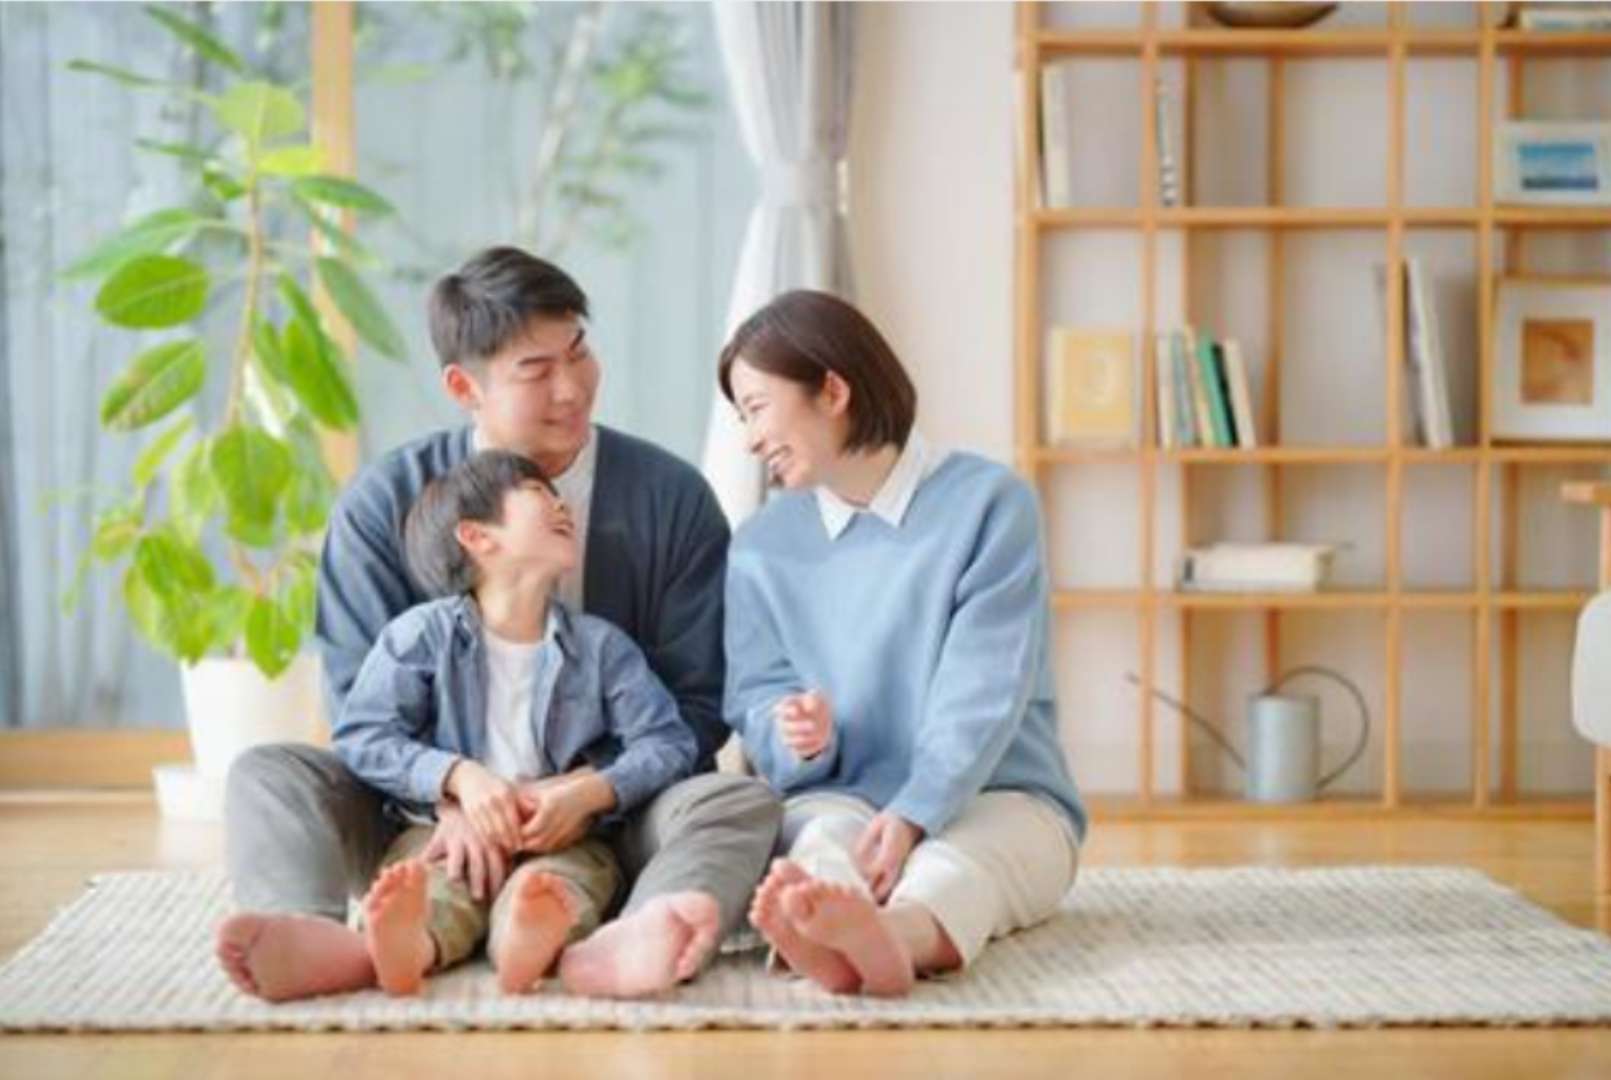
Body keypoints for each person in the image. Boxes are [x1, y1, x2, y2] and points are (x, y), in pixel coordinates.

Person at [215, 247, 781, 1002]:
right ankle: (308, 935)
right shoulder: (385, 505)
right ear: (464, 387)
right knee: (269, 773)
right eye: (535, 370)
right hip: (419, 817)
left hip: (614, 819)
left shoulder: (671, 498)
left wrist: (583, 795)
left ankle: (645, 928)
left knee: (736, 800)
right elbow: (360, 708)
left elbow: (696, 709)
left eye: (577, 352)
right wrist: (452, 793)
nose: (571, 387)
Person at [719, 290, 1088, 997]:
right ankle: (827, 928)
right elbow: (756, 692)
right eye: (741, 417)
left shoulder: (989, 504)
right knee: (819, 845)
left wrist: (917, 812)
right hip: (841, 793)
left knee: (963, 866)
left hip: (1000, 791)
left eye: (757, 408)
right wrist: (795, 732)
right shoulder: (760, 546)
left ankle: (893, 938)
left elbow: (983, 687)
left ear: (832, 391)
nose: (750, 439)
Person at [337, 450, 699, 996]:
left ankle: (525, 944)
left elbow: (668, 743)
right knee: (433, 884)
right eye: (537, 493)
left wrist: (590, 794)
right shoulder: (419, 636)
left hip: (565, 837)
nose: (562, 504)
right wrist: (458, 778)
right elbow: (363, 735)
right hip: (447, 832)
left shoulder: (602, 648)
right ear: (477, 537)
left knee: (557, 886)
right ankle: (411, 944)